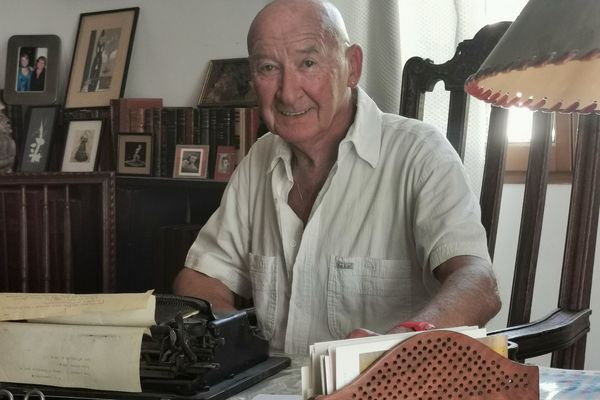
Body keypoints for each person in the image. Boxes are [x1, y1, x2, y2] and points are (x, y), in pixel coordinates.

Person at [174, 0, 501, 354]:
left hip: (385, 387)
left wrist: (401, 346)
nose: (287, 91)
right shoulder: (260, 159)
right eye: (268, 68)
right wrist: (233, 342)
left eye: (308, 63)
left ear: (352, 66)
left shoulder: (421, 154)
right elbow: (200, 277)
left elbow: (478, 284)